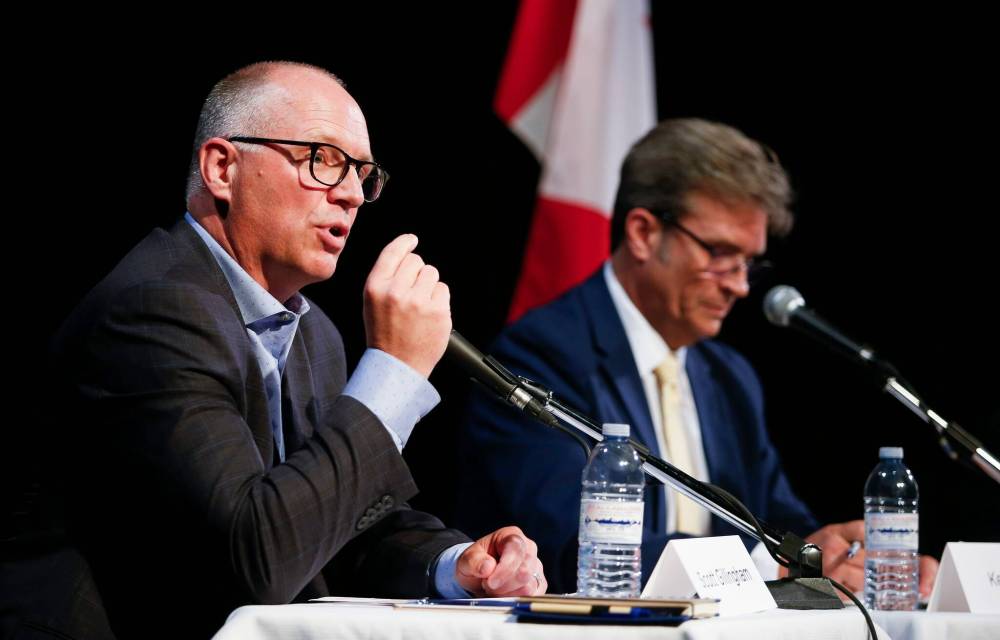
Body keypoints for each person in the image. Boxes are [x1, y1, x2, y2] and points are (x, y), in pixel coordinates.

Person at [45, 61, 545, 639]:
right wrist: (393, 371)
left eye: (363, 172)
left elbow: (342, 522)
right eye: (323, 159)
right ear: (222, 167)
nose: (354, 194)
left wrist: (456, 566)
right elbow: (258, 556)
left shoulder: (314, 333)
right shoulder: (153, 315)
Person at [452, 118, 938, 595]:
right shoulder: (542, 355)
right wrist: (764, 568)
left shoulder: (729, 378)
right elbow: (573, 548)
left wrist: (828, 553)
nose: (741, 285)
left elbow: (783, 527)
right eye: (720, 253)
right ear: (643, 233)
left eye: (749, 262)